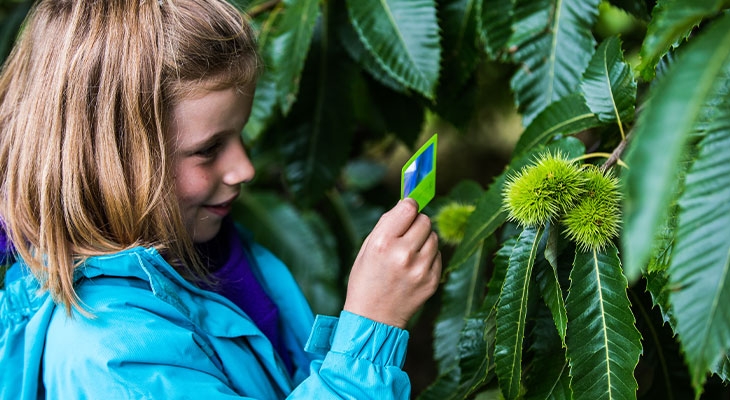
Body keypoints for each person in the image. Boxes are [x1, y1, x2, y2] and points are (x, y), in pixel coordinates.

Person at [0, 1, 442, 399]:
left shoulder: (208, 250)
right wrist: (369, 334)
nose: (244, 169)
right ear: (107, 162)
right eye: (208, 150)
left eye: (241, 134)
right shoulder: (110, 359)